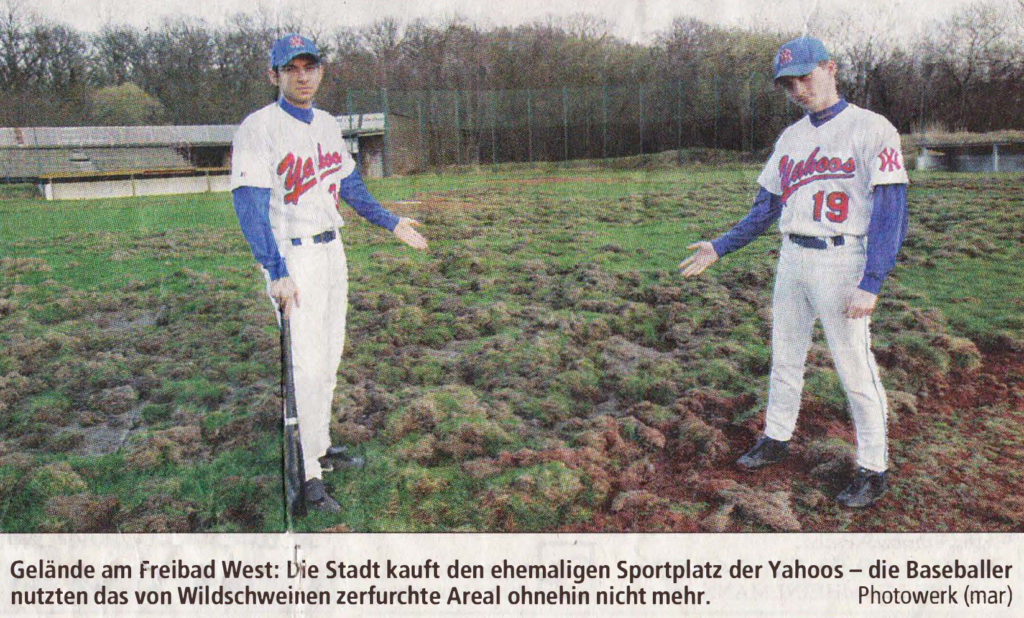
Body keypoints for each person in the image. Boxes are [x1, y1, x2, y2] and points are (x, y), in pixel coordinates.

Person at [678, 36, 908, 508]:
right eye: (789, 83)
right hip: (794, 258)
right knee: (784, 357)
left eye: (805, 76)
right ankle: (776, 437)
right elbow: (765, 208)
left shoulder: (872, 127)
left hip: (843, 259)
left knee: (855, 370)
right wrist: (721, 246)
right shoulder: (791, 138)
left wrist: (872, 281)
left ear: (831, 67)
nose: (798, 89)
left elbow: (891, 208)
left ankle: (873, 468)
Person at [230, 33, 428, 513]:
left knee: (329, 359)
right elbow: (249, 205)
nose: (303, 75)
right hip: (291, 258)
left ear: (320, 70)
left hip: (331, 250)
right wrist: (274, 270)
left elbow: (349, 183)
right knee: (303, 366)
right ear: (273, 75)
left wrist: (390, 220)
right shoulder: (258, 128)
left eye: (310, 66)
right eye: (292, 67)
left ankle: (319, 446)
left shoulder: (325, 124)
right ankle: (308, 477)